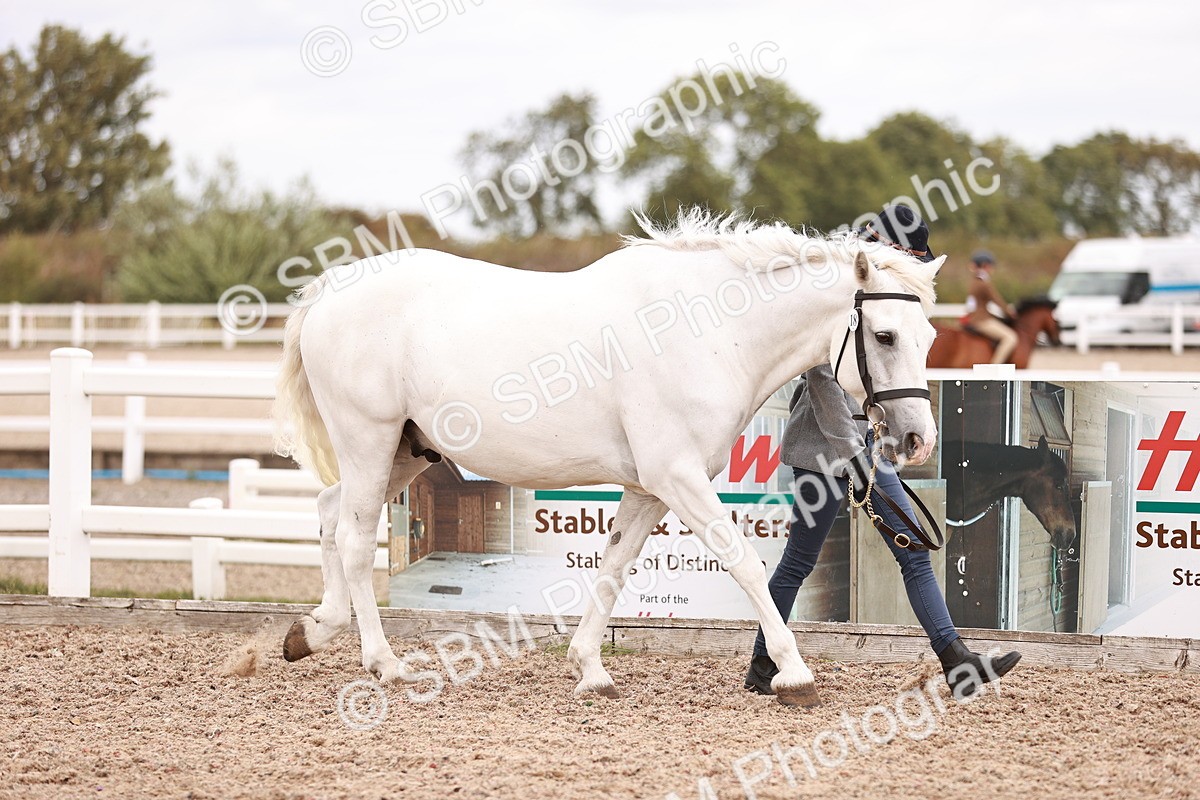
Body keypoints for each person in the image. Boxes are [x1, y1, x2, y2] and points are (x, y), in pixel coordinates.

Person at [744, 205, 1021, 700]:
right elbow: (823, 383)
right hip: (823, 450)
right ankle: (764, 666)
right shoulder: (838, 290)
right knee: (799, 562)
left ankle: (957, 663)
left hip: (867, 450)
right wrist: (854, 455)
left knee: (912, 551)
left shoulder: (886, 295)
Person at [964, 250, 1019, 364]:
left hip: (976, 317)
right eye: (991, 266)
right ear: (986, 265)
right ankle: (994, 366)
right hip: (981, 320)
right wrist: (1010, 313)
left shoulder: (974, 280)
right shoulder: (984, 283)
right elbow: (997, 300)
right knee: (1010, 338)